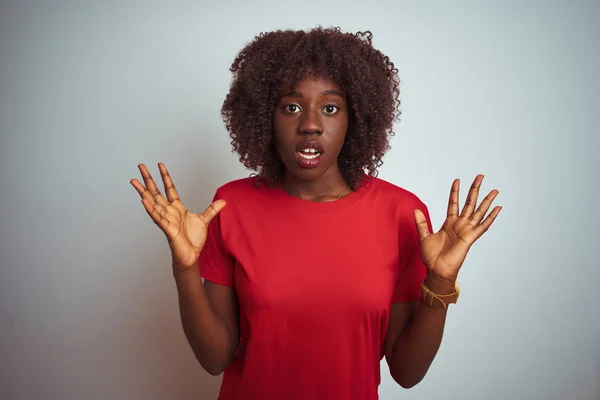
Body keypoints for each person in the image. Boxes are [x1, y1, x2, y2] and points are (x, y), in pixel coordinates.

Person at [130, 27, 501, 400]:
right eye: (291, 107)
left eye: (330, 108)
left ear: (353, 119)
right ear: (265, 118)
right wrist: (185, 269)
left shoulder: (402, 213)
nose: (310, 124)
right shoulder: (231, 207)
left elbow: (406, 372)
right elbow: (215, 359)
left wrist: (439, 280)